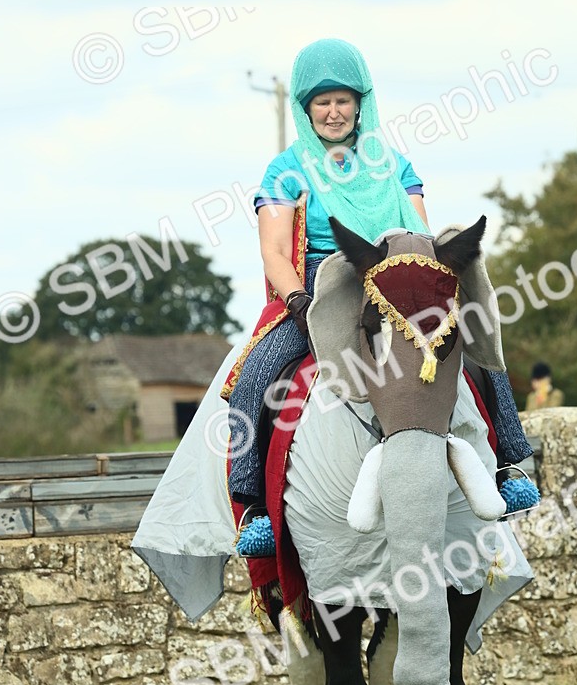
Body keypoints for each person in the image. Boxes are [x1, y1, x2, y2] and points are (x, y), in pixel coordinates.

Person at [223, 37, 532, 516]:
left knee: (475, 338)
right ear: (305, 109)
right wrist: (299, 300)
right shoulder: (286, 171)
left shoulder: (393, 164)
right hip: (320, 281)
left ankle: (508, 463)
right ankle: (255, 506)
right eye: (322, 102)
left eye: (342, 100)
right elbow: (275, 251)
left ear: (360, 103)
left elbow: (419, 233)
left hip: (391, 273)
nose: (333, 113)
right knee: (258, 374)